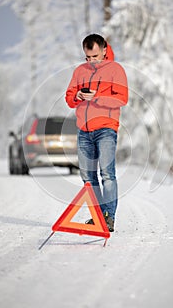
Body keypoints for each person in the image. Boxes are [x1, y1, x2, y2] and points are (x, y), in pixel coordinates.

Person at [65, 34, 128, 232]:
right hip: (84, 131)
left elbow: (122, 98)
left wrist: (97, 96)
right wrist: (77, 96)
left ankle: (109, 217)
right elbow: (69, 98)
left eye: (95, 56)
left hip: (106, 129)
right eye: (87, 57)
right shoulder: (79, 71)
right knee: (87, 177)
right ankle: (98, 216)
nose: (91, 61)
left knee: (107, 174)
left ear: (103, 49)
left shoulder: (116, 70)